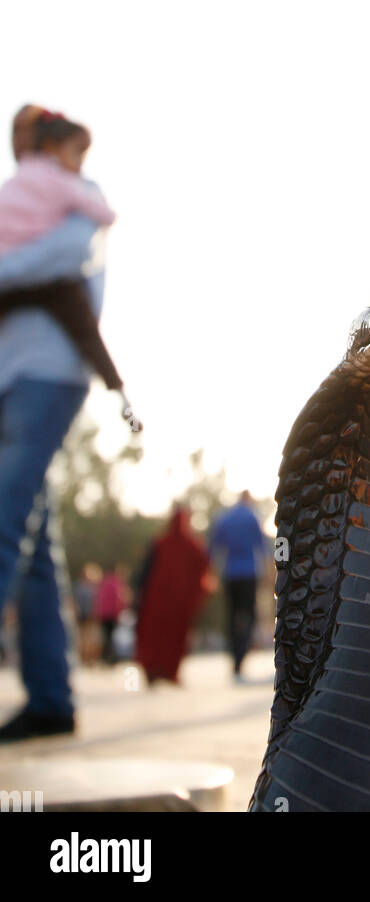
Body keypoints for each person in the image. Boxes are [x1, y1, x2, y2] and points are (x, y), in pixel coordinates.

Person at [0, 105, 116, 740]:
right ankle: (50, 699)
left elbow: (63, 259)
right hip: (7, 376)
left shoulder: (81, 198)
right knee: (35, 547)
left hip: (49, 377)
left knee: (1, 516)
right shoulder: (23, 201)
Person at [0, 106, 140, 431]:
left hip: (45, 365)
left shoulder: (74, 187)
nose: (19, 138)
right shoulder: (21, 187)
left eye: (27, 129)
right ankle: (122, 398)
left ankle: (121, 397)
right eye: (15, 130)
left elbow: (68, 253)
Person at [135, 507, 211, 685]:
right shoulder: (193, 545)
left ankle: (153, 669)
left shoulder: (160, 543)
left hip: (157, 600)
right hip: (178, 603)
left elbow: (145, 572)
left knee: (155, 636)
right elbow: (204, 569)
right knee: (174, 639)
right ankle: (169, 672)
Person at [210, 491, 267, 681]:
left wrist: (212, 572)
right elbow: (262, 545)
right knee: (248, 615)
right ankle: (241, 658)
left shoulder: (225, 518)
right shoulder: (252, 516)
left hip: (231, 573)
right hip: (249, 572)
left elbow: (214, 545)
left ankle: (235, 659)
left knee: (232, 615)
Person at [94, 564, 128, 665]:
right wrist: (119, 613)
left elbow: (99, 599)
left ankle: (105, 656)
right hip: (112, 614)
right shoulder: (117, 583)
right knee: (112, 636)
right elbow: (118, 600)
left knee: (106, 635)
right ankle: (111, 657)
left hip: (104, 614)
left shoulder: (104, 582)